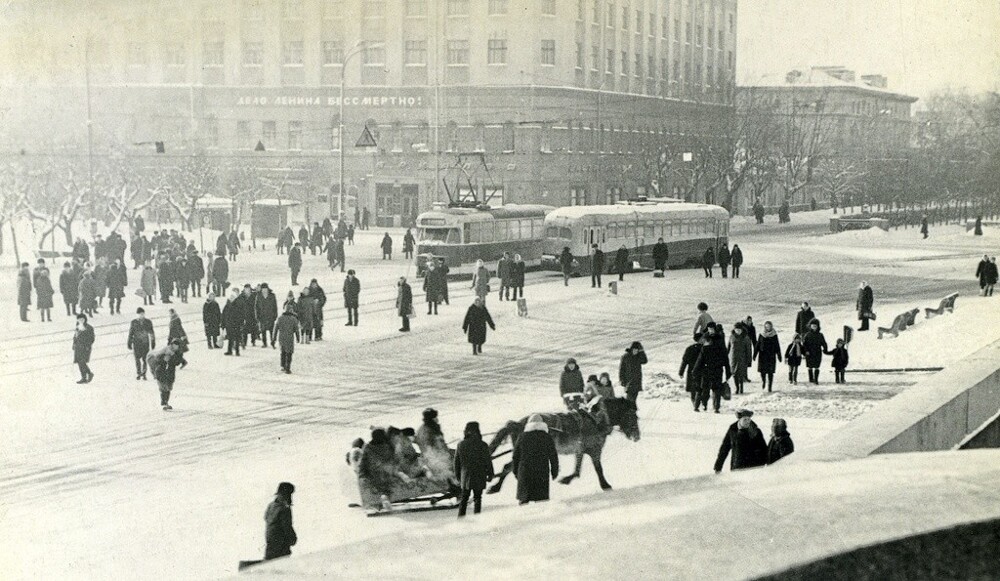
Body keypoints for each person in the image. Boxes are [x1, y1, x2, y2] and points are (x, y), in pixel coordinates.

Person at [511, 414, 559, 505]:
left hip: (525, 472)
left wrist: (515, 471)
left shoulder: (522, 436)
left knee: (524, 501)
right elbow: (553, 456)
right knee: (541, 502)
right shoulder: (546, 437)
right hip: (541, 472)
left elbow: (515, 456)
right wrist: (554, 471)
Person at [454, 421, 494, 517]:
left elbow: (456, 463)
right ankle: (477, 518)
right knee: (477, 498)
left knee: (464, 498)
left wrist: (458, 477)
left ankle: (461, 518)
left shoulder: (461, 445)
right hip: (479, 475)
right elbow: (488, 461)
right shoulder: (483, 444)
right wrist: (490, 474)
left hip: (465, 476)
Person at [713, 408, 768, 473]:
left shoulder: (755, 431)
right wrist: (718, 466)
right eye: (745, 419)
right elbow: (724, 448)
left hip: (752, 469)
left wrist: (761, 467)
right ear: (739, 419)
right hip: (736, 467)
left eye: (749, 419)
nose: (748, 422)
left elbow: (763, 450)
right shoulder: (733, 430)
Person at [694, 326, 732, 413]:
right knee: (716, 389)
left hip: (707, 371)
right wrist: (728, 372)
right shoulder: (721, 349)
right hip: (717, 371)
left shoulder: (705, 348)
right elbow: (726, 361)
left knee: (705, 389)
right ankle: (716, 408)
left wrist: (695, 371)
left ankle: (704, 405)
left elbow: (700, 361)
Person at [264, 482, 297, 561]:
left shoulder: (271, 505)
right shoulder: (284, 509)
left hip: (270, 544)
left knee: (269, 562)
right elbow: (287, 527)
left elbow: (266, 518)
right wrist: (293, 539)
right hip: (281, 546)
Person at [147, 341, 182, 410]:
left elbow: (178, 362)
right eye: (175, 345)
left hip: (170, 373)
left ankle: (165, 402)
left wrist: (172, 357)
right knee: (164, 388)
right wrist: (164, 359)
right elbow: (156, 360)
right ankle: (164, 402)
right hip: (161, 372)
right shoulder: (163, 353)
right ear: (172, 345)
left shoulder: (177, 353)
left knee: (168, 387)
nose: (176, 347)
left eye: (177, 346)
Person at [127, 307, 156, 379]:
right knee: (137, 359)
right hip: (136, 343)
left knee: (145, 359)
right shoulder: (133, 322)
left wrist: (153, 342)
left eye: (142, 314)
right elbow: (131, 333)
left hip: (145, 343)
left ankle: (144, 373)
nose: (141, 315)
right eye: (140, 314)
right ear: (137, 314)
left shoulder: (148, 322)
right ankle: (138, 373)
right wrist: (129, 342)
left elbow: (152, 332)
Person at [679, 333, 704, 412]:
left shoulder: (689, 348)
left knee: (695, 388)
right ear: (699, 339)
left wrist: (681, 371)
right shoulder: (705, 348)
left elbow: (684, 361)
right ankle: (698, 403)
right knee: (700, 387)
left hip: (692, 371)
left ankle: (695, 402)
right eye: (703, 338)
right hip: (701, 371)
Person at [755, 321, 782, 392]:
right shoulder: (761, 335)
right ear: (765, 327)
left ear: (771, 326)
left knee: (770, 372)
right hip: (762, 356)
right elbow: (758, 345)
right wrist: (755, 354)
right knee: (762, 372)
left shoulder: (774, 335)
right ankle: (763, 381)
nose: (768, 328)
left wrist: (779, 355)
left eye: (769, 326)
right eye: (766, 326)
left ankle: (770, 386)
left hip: (771, 355)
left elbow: (777, 345)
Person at [274, 304, 301, 374]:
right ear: (291, 310)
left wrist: (273, 338)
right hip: (289, 339)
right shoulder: (293, 319)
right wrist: (298, 338)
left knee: (283, 352)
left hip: (281, 338)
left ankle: (282, 365)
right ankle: (287, 368)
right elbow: (296, 330)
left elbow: (275, 329)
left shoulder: (280, 318)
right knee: (289, 353)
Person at [802, 319, 829, 384]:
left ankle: (816, 379)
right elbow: (804, 344)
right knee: (810, 366)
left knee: (817, 366)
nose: (814, 327)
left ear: (818, 327)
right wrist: (806, 351)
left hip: (817, 352)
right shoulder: (807, 335)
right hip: (809, 353)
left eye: (815, 326)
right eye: (813, 325)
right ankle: (811, 379)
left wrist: (825, 349)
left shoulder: (820, 335)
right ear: (810, 326)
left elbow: (824, 343)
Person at [728, 324, 753, 395]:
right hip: (733, 358)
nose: (738, 331)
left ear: (742, 330)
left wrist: (749, 360)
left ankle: (741, 387)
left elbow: (749, 350)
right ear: (734, 330)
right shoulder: (731, 337)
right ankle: (737, 388)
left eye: (739, 330)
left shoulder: (746, 338)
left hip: (742, 358)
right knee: (734, 374)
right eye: (736, 330)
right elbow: (728, 347)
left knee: (741, 373)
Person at [73, 313, 95, 384]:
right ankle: (84, 377)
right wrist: (74, 344)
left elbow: (92, 338)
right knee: (80, 363)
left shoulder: (89, 327)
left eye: (82, 319)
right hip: (78, 347)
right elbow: (75, 336)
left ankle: (87, 375)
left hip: (85, 348)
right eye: (79, 319)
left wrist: (87, 346)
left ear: (85, 319)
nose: (81, 321)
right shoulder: (78, 327)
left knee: (82, 362)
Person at [255, 283, 278, 348]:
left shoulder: (272, 295)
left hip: (270, 316)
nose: (264, 290)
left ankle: (272, 343)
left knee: (271, 331)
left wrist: (275, 315)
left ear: (268, 289)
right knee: (263, 331)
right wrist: (257, 316)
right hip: (262, 316)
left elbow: (275, 306)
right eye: (263, 289)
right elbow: (256, 307)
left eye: (265, 289)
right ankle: (264, 343)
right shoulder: (258, 296)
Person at [222, 289, 244, 356]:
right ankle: (229, 351)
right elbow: (223, 314)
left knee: (237, 338)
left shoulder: (238, 304)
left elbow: (241, 315)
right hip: (229, 324)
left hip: (236, 324)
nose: (231, 298)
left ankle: (237, 351)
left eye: (233, 297)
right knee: (230, 338)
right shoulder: (227, 305)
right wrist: (223, 324)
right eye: (230, 297)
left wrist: (241, 323)